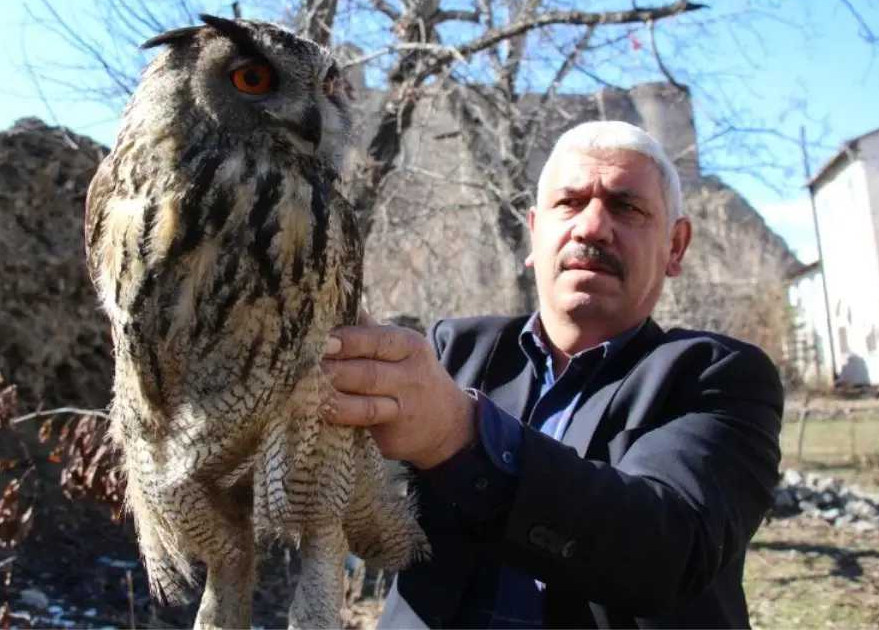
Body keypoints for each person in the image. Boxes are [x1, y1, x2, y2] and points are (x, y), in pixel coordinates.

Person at [318, 120, 785, 629]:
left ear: (676, 246)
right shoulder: (452, 352)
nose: (591, 227)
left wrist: (459, 434)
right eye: (570, 203)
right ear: (534, 233)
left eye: (626, 206)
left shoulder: (716, 377)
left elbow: (669, 550)